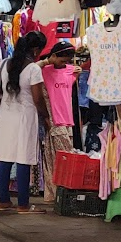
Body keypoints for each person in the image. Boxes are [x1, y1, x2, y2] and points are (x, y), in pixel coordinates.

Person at [0, 32, 50, 213]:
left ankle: (3, 200)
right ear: (36, 49)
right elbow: (38, 99)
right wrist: (46, 116)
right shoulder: (33, 69)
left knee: (5, 158)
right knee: (23, 158)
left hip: (5, 115)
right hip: (25, 116)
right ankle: (23, 204)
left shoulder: (4, 63)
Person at [39, 41, 80, 201]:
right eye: (62, 60)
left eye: (67, 61)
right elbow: (32, 69)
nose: (65, 64)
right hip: (53, 121)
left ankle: (55, 195)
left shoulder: (70, 71)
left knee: (58, 158)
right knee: (59, 159)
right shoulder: (44, 71)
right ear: (54, 55)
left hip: (67, 121)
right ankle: (58, 194)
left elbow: (67, 89)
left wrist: (76, 72)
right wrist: (48, 60)